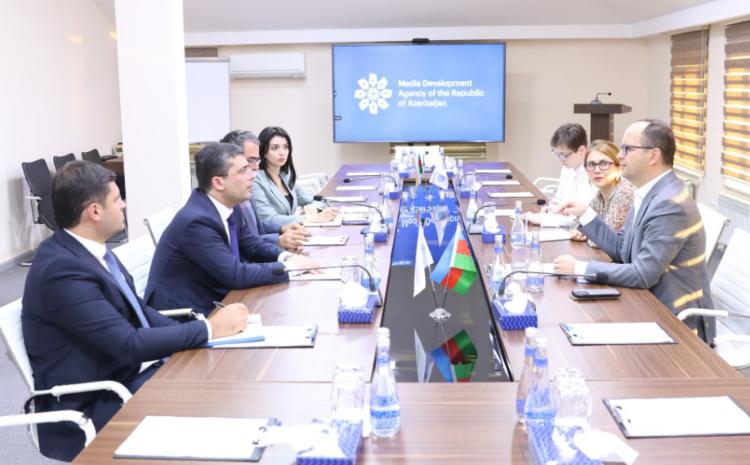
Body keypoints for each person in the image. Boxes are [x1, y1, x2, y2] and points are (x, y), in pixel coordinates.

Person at [21, 161, 249, 461]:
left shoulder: (90, 251)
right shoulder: (61, 272)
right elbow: (128, 345)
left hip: (126, 378)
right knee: (217, 407)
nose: (124, 204)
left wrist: (207, 333)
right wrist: (209, 329)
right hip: (95, 405)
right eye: (117, 199)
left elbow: (141, 312)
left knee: (224, 382)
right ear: (94, 211)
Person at [553, 120, 713, 334]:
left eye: (627, 149)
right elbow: (622, 249)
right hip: (646, 303)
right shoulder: (649, 192)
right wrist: (586, 213)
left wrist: (580, 268)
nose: (619, 156)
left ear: (653, 155)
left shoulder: (669, 203)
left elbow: (643, 273)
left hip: (676, 323)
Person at [145, 142, 318, 314]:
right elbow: (235, 275)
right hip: (187, 316)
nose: (253, 176)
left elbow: (253, 246)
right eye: (244, 171)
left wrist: (287, 257)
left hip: (218, 300)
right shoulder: (196, 222)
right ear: (218, 182)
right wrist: (289, 267)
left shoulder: (230, 206)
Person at [221, 129, 310, 252]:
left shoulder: (245, 189)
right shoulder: (222, 205)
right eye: (249, 161)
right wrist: (279, 242)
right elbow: (245, 247)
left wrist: (282, 228)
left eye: (257, 160)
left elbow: (256, 230)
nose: (255, 168)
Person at [252, 126, 337, 225]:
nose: (282, 153)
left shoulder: (285, 176)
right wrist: (309, 218)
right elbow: (268, 220)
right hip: (276, 233)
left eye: (285, 147)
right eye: (275, 148)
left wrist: (314, 210)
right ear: (263, 152)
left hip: (294, 231)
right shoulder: (255, 181)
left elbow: (312, 200)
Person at [527, 123, 596, 226]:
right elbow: (560, 200)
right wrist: (550, 210)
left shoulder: (595, 174)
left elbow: (582, 219)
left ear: (581, 151)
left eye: (564, 155)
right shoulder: (567, 169)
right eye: (556, 154)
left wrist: (544, 220)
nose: (560, 161)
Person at [570, 140, 635, 244]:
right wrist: (579, 231)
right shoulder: (600, 195)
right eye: (591, 164)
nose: (596, 170)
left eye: (604, 163)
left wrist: (585, 233)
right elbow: (576, 223)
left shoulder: (624, 193)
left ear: (618, 166)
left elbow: (606, 241)